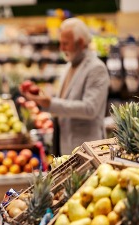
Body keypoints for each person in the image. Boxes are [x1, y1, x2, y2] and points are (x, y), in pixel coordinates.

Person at [19, 17, 110, 155]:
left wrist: (51, 103)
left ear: (80, 43)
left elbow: (90, 109)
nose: (61, 48)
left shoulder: (96, 68)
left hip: (87, 150)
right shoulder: (69, 65)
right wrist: (43, 99)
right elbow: (65, 101)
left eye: (65, 44)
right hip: (66, 146)